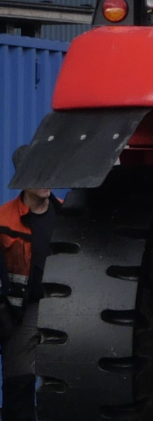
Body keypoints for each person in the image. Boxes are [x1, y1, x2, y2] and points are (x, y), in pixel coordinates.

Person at [0, 149, 58, 421]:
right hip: (23, 313)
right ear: (22, 178)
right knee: (19, 380)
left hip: (64, 310)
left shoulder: (69, 217)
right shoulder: (3, 220)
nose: (45, 180)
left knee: (65, 376)